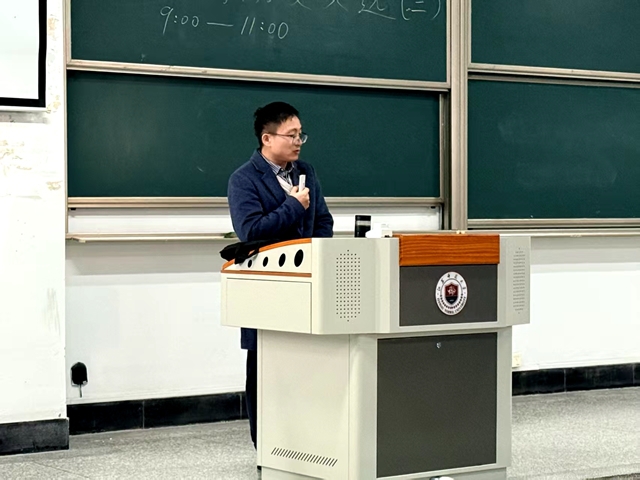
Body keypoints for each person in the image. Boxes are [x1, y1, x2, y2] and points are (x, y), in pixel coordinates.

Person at [227, 101, 334, 450]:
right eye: (291, 135)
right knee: (265, 371)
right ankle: (267, 450)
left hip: (306, 288)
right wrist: (293, 207)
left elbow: (323, 221)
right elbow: (251, 231)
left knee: (308, 368)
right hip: (267, 291)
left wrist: (316, 258)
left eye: (301, 134)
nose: (298, 141)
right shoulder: (244, 179)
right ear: (267, 138)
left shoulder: (306, 172)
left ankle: (307, 444)